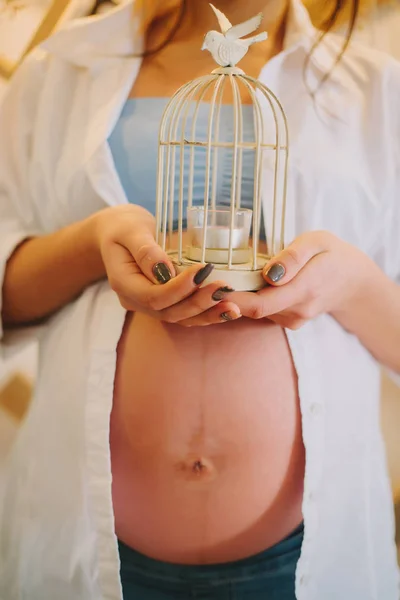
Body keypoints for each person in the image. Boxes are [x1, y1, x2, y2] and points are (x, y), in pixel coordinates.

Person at [0, 0, 399, 598]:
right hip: (85, 544)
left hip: (299, 560)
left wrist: (351, 283)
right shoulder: (59, 69)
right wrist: (92, 244)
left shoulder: (379, 90)